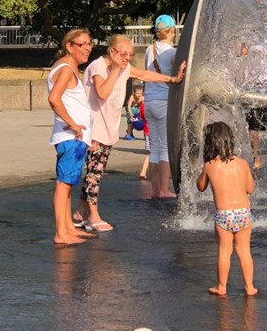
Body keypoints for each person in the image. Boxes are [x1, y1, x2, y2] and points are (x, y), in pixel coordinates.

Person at [75, 34, 184, 231]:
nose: (127, 58)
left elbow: (144, 75)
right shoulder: (98, 66)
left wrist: (172, 79)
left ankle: (80, 212)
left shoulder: (124, 68)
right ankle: (93, 216)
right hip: (94, 130)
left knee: (96, 172)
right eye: (123, 53)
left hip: (108, 129)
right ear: (112, 51)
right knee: (94, 174)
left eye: (131, 54)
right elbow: (102, 93)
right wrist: (116, 70)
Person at [196, 122, 257, 297]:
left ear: (210, 143)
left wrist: (202, 173)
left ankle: (222, 287)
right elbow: (250, 189)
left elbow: (201, 187)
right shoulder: (242, 163)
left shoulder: (210, 165)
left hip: (224, 215)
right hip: (243, 213)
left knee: (224, 251)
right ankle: (250, 287)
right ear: (230, 140)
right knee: (244, 251)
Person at [47, 28, 94, 246]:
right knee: (64, 184)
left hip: (71, 137)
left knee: (67, 184)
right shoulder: (66, 69)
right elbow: (54, 98)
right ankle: (61, 233)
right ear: (69, 46)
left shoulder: (66, 67)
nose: (88, 48)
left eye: (89, 43)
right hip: (71, 137)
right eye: (82, 44)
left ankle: (67, 228)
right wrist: (73, 124)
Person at [144, 15, 183, 199]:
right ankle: (164, 189)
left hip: (148, 101)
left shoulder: (148, 49)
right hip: (163, 101)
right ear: (172, 31)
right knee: (165, 147)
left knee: (154, 147)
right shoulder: (172, 53)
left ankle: (154, 189)